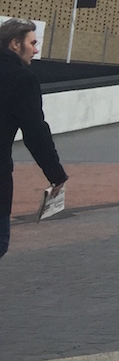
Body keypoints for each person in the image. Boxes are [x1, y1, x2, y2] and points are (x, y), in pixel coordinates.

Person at [0, 18, 67, 260]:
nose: (36, 49)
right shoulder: (22, 79)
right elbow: (36, 133)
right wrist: (56, 175)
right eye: (33, 43)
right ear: (15, 44)